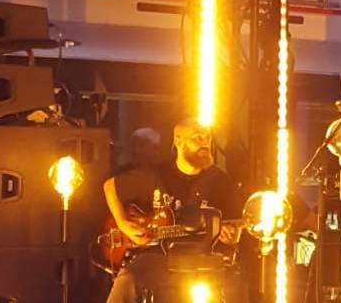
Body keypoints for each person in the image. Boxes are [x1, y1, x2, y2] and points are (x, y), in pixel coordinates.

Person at [103, 119, 246, 302]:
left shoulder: (221, 181)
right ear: (178, 142)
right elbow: (110, 187)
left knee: (236, 282)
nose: (205, 142)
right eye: (197, 138)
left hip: (205, 259)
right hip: (158, 258)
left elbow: (236, 229)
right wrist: (123, 224)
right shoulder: (156, 174)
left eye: (207, 138)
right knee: (127, 280)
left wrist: (232, 236)